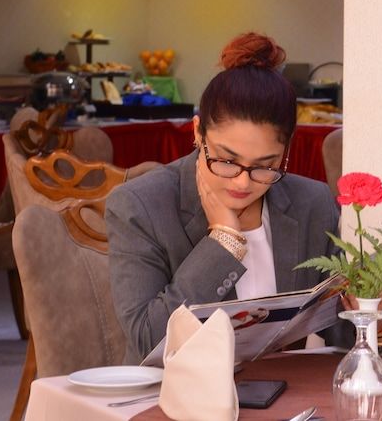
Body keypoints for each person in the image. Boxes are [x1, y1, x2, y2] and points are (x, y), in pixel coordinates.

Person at [107, 32, 353, 362]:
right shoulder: (142, 206)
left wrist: (377, 321)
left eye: (265, 165)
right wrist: (224, 243)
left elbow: (341, 334)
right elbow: (147, 340)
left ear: (286, 151)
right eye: (226, 160)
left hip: (282, 389)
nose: (242, 181)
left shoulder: (311, 202)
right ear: (198, 132)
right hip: (174, 390)